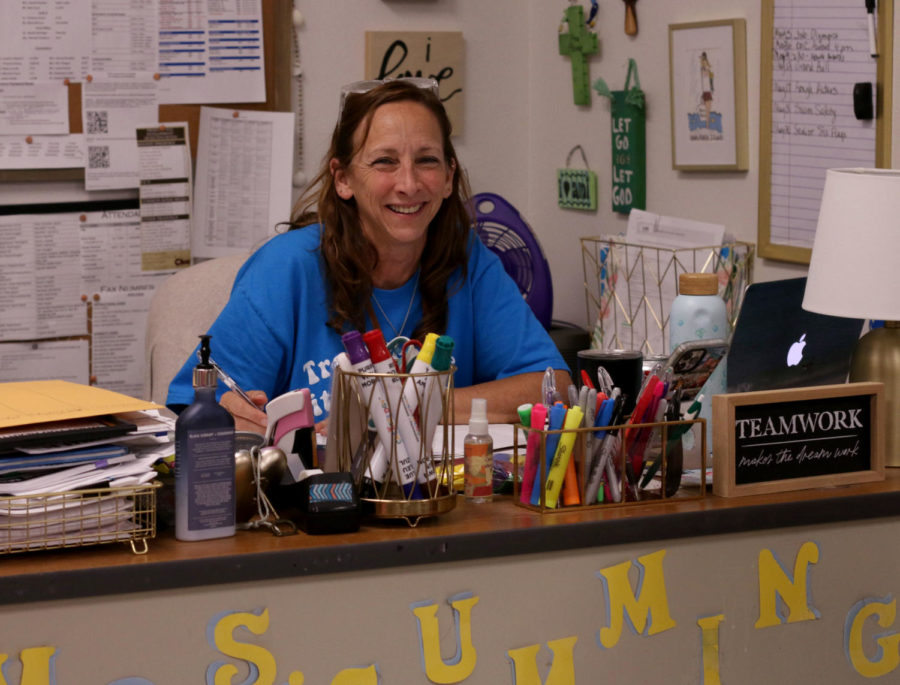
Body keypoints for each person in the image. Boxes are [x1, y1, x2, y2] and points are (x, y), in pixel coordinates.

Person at [166, 78, 570, 434]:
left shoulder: (469, 260)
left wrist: (403, 406)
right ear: (343, 179)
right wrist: (229, 417)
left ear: (448, 178)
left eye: (427, 161)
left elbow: (553, 387)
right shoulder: (286, 268)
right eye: (385, 162)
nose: (409, 184)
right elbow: (188, 409)